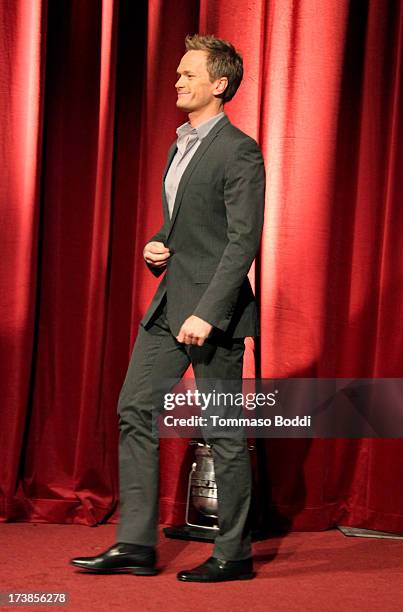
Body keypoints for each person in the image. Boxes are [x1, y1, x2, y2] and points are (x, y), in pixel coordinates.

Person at [70, 33, 265, 582]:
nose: (177, 81)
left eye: (187, 74)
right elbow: (192, 228)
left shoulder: (239, 149)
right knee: (134, 408)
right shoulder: (181, 145)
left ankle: (234, 553)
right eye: (178, 73)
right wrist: (159, 245)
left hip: (212, 314)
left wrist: (209, 310)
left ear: (218, 84)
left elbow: (241, 241)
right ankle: (135, 544)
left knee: (222, 430)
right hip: (167, 305)